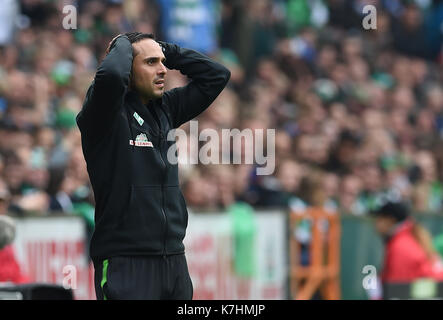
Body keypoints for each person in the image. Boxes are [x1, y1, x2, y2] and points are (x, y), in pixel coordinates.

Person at [76, 32, 230, 300]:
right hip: (126, 261)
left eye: (163, 62)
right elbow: (111, 76)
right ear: (127, 69)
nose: (162, 70)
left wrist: (165, 50)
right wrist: (123, 41)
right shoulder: (104, 114)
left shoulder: (167, 109)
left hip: (173, 261)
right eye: (150, 63)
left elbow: (217, 76)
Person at [372, 201, 443, 285]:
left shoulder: (400, 247)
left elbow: (396, 291)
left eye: (379, 219)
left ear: (390, 220)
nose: (376, 224)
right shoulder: (406, 238)